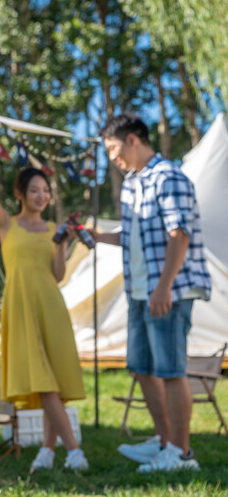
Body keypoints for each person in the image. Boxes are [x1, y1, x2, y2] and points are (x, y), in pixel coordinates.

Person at [0, 134, 88, 472]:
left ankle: (48, 451)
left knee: (53, 381)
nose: (42, 196)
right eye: (35, 190)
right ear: (20, 194)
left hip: (52, 308)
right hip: (21, 308)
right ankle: (75, 451)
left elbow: (57, 275)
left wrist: (60, 244)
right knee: (43, 381)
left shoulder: (55, 228)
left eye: (46, 191)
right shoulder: (7, 224)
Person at [90, 113, 211, 472]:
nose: (111, 157)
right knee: (142, 367)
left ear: (133, 140)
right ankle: (163, 442)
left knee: (171, 370)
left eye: (112, 148)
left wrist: (164, 286)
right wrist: (96, 236)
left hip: (168, 290)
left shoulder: (168, 177)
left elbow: (180, 234)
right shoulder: (131, 182)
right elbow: (131, 236)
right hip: (140, 291)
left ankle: (182, 454)